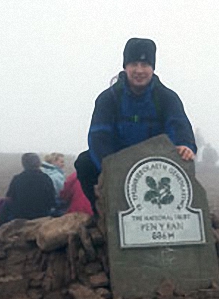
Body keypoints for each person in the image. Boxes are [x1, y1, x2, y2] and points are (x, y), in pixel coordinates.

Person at [75, 38, 197, 211]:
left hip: (156, 161)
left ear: (153, 68)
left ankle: (172, 215)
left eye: (145, 64)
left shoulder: (167, 98)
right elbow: (98, 136)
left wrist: (185, 145)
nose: (139, 70)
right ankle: (102, 216)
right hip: (118, 161)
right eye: (134, 64)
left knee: (183, 160)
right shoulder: (108, 99)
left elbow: (179, 125)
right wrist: (110, 168)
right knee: (85, 163)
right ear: (125, 66)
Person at [2, 153, 56, 221]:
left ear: (23, 164)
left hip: (20, 215)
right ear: (39, 163)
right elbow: (52, 199)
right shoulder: (46, 178)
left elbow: (9, 198)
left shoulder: (17, 179)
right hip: (42, 214)